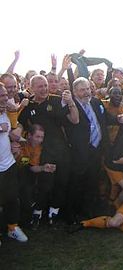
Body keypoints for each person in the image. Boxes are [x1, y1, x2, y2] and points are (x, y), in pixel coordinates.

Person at [18, 75, 79, 226]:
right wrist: (19, 138)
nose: (44, 88)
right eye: (40, 86)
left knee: (62, 181)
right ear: (32, 88)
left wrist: (71, 102)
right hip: (43, 150)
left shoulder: (56, 100)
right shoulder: (28, 105)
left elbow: (75, 119)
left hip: (62, 149)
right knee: (46, 183)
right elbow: (19, 124)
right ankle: (37, 213)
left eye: (45, 85)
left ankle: (54, 212)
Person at [65, 77, 121, 223]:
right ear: (75, 92)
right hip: (80, 151)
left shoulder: (96, 102)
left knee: (93, 180)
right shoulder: (70, 105)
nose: (86, 92)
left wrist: (118, 120)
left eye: (88, 89)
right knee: (77, 182)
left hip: (97, 149)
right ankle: (72, 214)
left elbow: (106, 119)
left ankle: (89, 210)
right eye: (82, 90)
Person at [0, 83, 28, 244]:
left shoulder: (5, 111)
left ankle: (12, 228)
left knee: (12, 198)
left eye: (5, 94)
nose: (5, 97)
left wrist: (22, 140)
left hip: (8, 163)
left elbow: (12, 128)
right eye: (1, 95)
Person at [15, 124, 56, 229]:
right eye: (37, 137)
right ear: (29, 135)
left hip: (21, 171)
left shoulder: (38, 148)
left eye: (42, 137)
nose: (40, 140)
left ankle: (24, 220)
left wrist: (43, 168)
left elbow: (30, 166)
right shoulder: (17, 139)